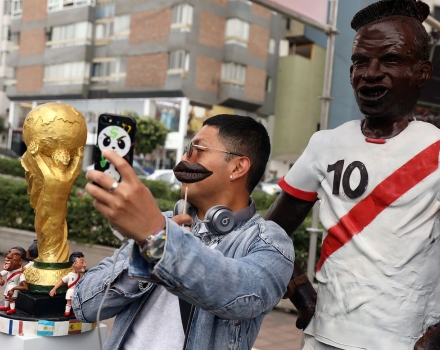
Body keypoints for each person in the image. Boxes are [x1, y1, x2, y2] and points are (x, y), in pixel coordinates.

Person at [265, 0, 440, 350]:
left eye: (391, 59)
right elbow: (267, 237)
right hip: (320, 339)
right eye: (359, 61)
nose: (370, 73)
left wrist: (435, 345)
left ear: (422, 72)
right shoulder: (325, 144)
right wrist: (302, 293)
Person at [73, 115, 294, 349]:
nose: (184, 159)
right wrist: (148, 252)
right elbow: (83, 304)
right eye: (187, 149)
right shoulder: (163, 223)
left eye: (197, 149)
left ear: (238, 167)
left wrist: (161, 241)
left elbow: (239, 293)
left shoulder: (269, 242)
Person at [50, 252, 86, 316]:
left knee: (76, 302)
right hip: (71, 291)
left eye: (84, 262)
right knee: (69, 302)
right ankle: (67, 311)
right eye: (81, 262)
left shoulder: (79, 276)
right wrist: (54, 289)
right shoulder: (69, 275)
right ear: (74, 264)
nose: (84, 265)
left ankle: (74, 311)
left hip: (77, 291)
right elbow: (62, 281)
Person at [0, 246, 28, 315]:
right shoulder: (8, 271)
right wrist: (0, 279)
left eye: (16, 255)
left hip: (13, 289)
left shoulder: (20, 274)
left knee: (11, 299)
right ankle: (6, 306)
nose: (8, 256)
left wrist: (13, 289)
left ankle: (13, 309)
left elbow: (25, 287)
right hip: (8, 287)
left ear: (20, 261)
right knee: (6, 297)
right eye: (9, 253)